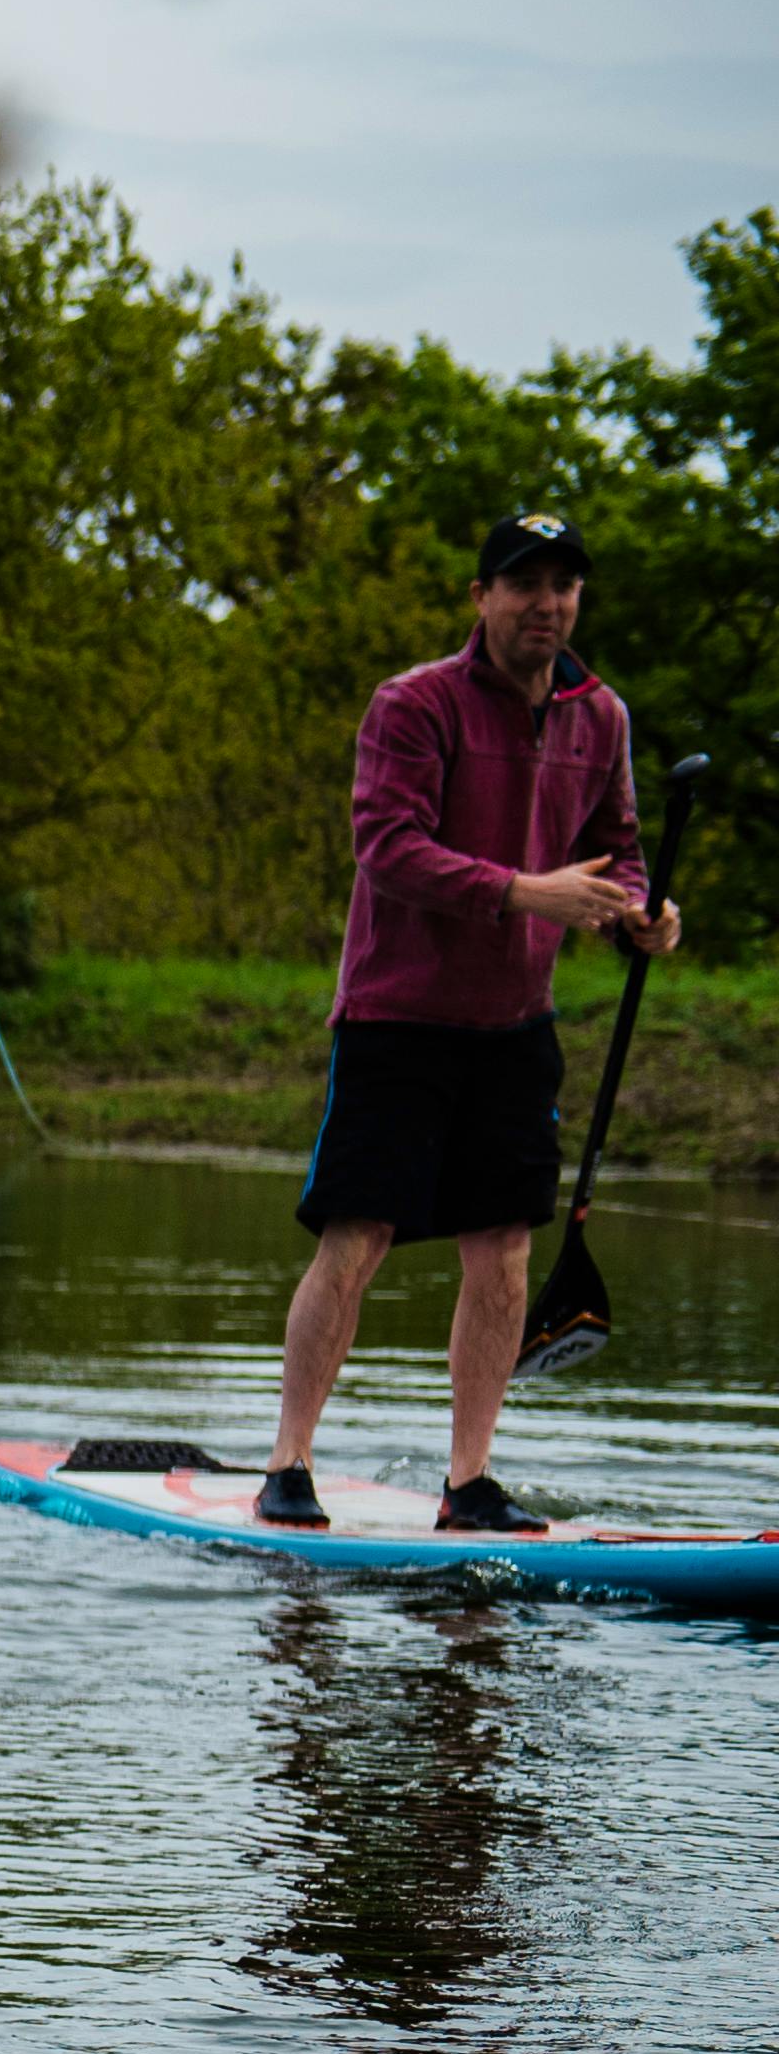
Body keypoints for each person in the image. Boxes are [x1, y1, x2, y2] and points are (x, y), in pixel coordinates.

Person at [259, 510, 689, 1532]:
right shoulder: (412, 704)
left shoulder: (603, 717)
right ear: (481, 597)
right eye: (522, 583)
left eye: (562, 586)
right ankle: (287, 1463)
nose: (545, 604)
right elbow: (388, 847)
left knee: (500, 1248)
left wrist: (642, 913)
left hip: (512, 1024)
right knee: (357, 1234)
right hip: (395, 1013)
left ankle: (469, 1481)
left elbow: (618, 850)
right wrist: (519, 892)